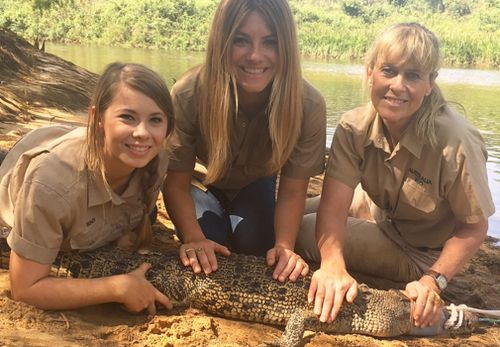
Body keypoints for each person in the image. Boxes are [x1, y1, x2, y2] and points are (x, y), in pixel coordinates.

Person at [296, 23, 495, 330]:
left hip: (420, 249)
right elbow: (334, 207)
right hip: (382, 211)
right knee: (290, 214)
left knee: (305, 232)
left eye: (413, 75)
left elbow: (474, 226)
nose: (398, 86)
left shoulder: (455, 141)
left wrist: (433, 280)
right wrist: (333, 266)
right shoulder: (353, 127)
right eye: (388, 70)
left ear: (430, 83)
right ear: (369, 73)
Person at [163, 0, 326, 282]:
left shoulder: (309, 104)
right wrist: (192, 237)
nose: (255, 55)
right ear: (221, 42)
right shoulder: (188, 94)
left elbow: (291, 190)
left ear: (286, 45)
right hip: (202, 182)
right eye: (241, 40)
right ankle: (217, 210)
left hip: (257, 183)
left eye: (270, 42)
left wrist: (285, 247)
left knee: (256, 246)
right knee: (210, 244)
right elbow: (175, 182)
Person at [0, 62, 175, 314]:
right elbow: (24, 288)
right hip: (18, 167)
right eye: (128, 116)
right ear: (97, 118)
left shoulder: (156, 161)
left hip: (82, 147)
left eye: (155, 120)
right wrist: (116, 288)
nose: (143, 133)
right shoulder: (51, 186)